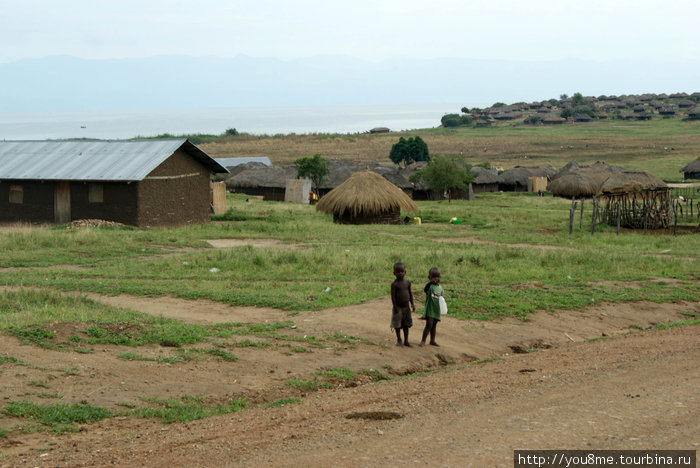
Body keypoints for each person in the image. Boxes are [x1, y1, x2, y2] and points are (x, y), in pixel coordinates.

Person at [390, 262, 415, 346]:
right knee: (397, 325)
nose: (400, 273)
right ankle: (399, 339)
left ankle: (406, 341)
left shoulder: (407, 283)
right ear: (394, 273)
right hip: (398, 308)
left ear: (405, 272)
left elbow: (410, 294)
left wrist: (412, 303)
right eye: (398, 272)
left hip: (406, 308)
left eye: (402, 271)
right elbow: (393, 296)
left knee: (406, 325)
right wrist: (395, 306)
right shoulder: (394, 284)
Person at [420, 267, 443, 347]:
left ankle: (432, 340)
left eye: (438, 277)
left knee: (434, 326)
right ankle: (423, 340)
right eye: (433, 277)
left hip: (436, 310)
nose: (436, 279)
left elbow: (441, 298)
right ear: (429, 278)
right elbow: (425, 289)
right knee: (429, 325)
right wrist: (430, 283)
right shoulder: (430, 287)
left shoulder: (440, 288)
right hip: (430, 310)